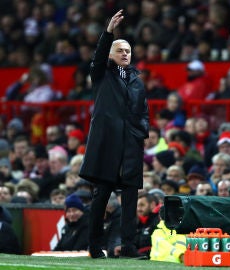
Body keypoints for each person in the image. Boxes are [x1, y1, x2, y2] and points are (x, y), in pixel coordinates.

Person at [78, 10, 149, 259]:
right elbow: (97, 57)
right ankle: (95, 246)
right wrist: (108, 32)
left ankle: (129, 247)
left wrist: (141, 132)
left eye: (128, 51)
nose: (125, 54)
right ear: (110, 53)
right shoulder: (101, 73)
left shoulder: (137, 80)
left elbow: (143, 110)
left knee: (130, 197)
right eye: (120, 50)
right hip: (107, 144)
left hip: (131, 145)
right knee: (101, 197)